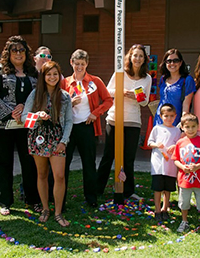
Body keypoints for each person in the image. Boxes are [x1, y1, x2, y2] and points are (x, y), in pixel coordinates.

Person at [0, 35, 40, 216]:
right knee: (4, 162)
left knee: (29, 163)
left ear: (27, 53)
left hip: (27, 125)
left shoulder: (33, 72)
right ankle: (5, 202)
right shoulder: (0, 70)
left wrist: (24, 109)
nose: (18, 53)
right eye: (14, 50)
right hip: (4, 125)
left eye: (22, 50)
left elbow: (39, 96)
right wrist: (12, 111)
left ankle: (32, 199)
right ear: (8, 53)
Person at [97, 44, 152, 199]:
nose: (138, 59)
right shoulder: (120, 74)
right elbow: (108, 91)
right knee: (108, 155)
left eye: (141, 56)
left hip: (133, 121)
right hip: (114, 119)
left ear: (144, 59)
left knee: (128, 158)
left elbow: (145, 102)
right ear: (130, 57)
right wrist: (122, 92)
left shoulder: (147, 78)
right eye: (135, 55)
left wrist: (138, 97)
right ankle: (98, 188)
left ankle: (128, 191)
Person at [22, 61, 73, 227]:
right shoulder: (35, 94)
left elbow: (69, 122)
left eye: (55, 74)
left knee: (59, 175)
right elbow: (24, 119)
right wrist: (37, 115)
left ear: (59, 76)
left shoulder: (65, 96)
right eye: (48, 74)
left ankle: (58, 212)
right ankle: (45, 208)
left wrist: (64, 141)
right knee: (42, 174)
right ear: (43, 77)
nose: (52, 77)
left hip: (57, 139)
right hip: (39, 138)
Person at [61, 49, 112, 207]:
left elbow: (108, 100)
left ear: (87, 64)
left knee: (89, 164)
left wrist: (95, 114)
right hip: (68, 129)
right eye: (76, 64)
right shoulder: (64, 83)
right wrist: (70, 102)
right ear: (71, 63)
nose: (79, 67)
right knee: (64, 163)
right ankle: (59, 198)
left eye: (82, 64)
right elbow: (57, 103)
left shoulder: (94, 81)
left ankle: (91, 198)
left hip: (87, 127)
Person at [172, 113, 200, 240]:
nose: (190, 130)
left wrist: (198, 166)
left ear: (198, 126)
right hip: (184, 181)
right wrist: (182, 167)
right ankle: (184, 221)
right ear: (182, 127)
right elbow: (175, 159)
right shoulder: (180, 143)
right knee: (184, 203)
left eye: (193, 126)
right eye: (187, 127)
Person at [147, 103, 181, 221]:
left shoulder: (177, 131)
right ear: (161, 116)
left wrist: (174, 146)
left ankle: (165, 209)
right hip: (158, 165)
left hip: (170, 165)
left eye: (171, 116)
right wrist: (156, 144)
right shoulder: (157, 128)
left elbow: (179, 144)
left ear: (175, 116)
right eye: (166, 116)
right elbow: (149, 142)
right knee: (158, 188)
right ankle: (157, 210)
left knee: (168, 189)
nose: (169, 119)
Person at [153, 49, 195, 127]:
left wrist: (183, 125)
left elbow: (186, 106)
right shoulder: (163, 79)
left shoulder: (187, 80)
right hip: (158, 122)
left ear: (181, 62)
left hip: (175, 123)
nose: (172, 63)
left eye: (175, 60)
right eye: (169, 61)